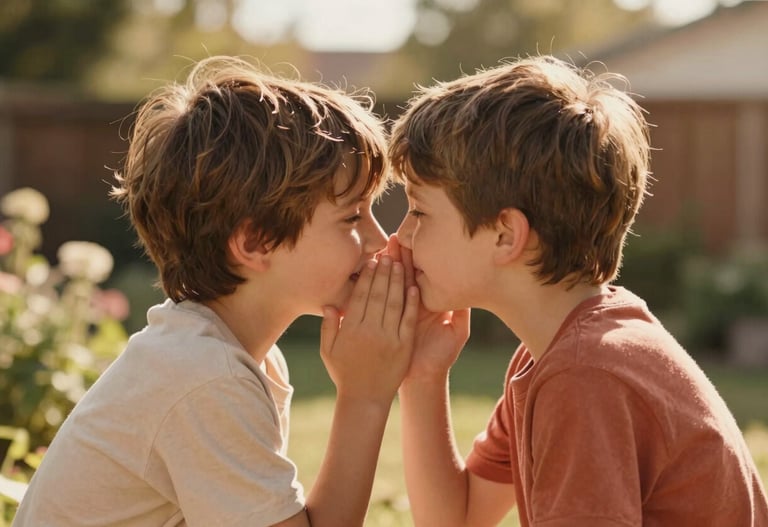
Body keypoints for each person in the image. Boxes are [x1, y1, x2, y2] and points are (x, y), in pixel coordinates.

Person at [13, 56, 419, 527]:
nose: (380, 239)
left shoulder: (228, 355)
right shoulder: (207, 377)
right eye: (352, 217)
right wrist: (364, 397)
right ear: (254, 242)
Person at [388, 55, 768, 526]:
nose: (399, 237)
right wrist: (423, 376)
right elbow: (459, 519)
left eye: (419, 212)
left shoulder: (584, 374)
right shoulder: (559, 351)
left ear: (506, 235)